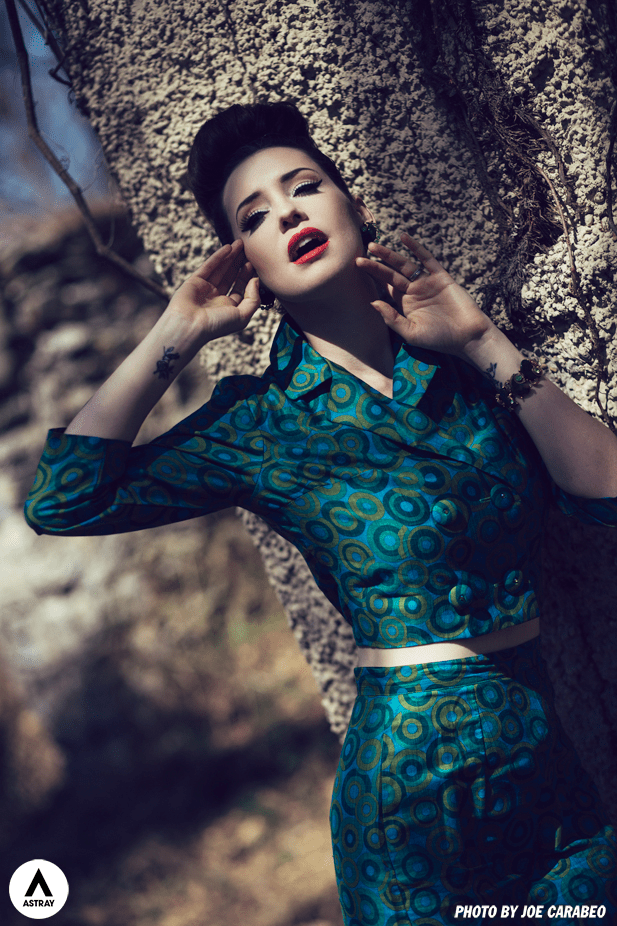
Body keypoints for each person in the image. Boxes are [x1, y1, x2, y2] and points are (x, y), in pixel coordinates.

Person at [24, 102, 616, 925]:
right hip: (412, 805)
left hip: (549, 770)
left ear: (352, 206)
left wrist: (481, 338)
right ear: (249, 264)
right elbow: (62, 500)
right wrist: (177, 331)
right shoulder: (258, 422)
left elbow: (603, 490)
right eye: (253, 216)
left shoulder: (459, 371)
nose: (286, 213)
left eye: (303, 186)